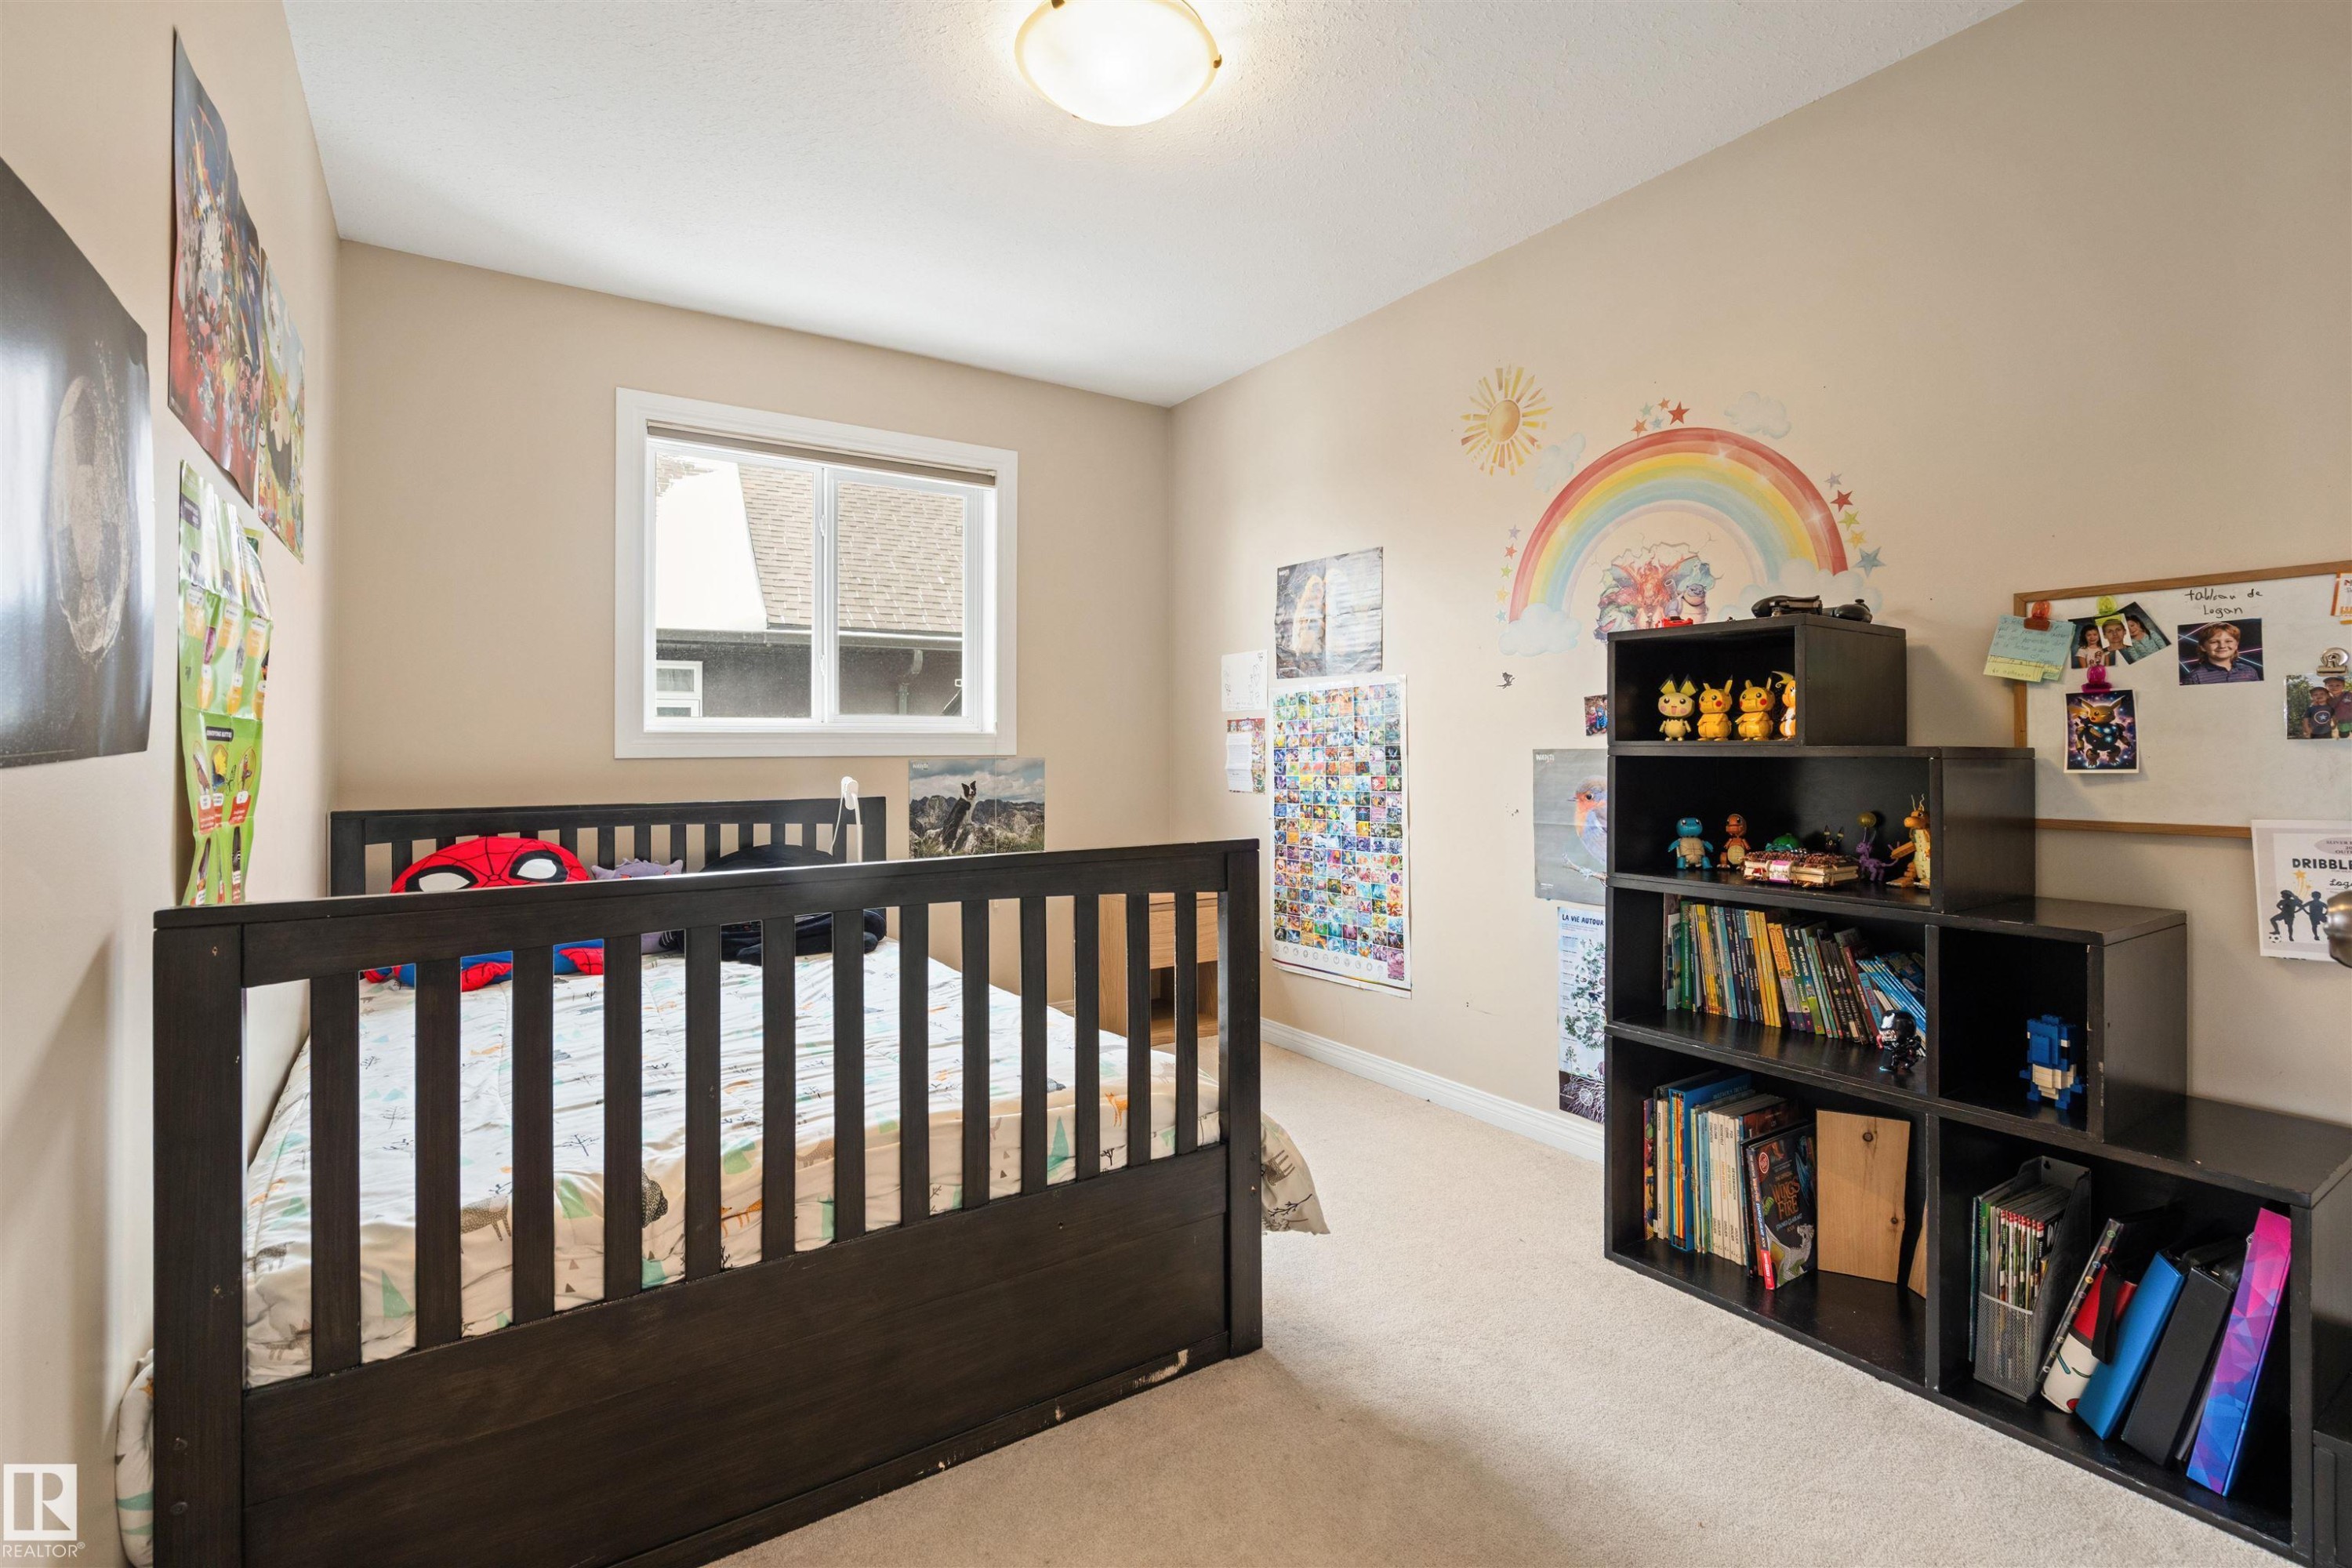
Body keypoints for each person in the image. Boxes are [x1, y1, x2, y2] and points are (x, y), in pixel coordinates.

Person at [2179, 621, 2262, 684]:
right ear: (2203, 647)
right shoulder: (2194, 678)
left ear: (2236, 645)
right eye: (2214, 642)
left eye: (2228, 641)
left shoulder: (2249, 671)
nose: (2222, 646)